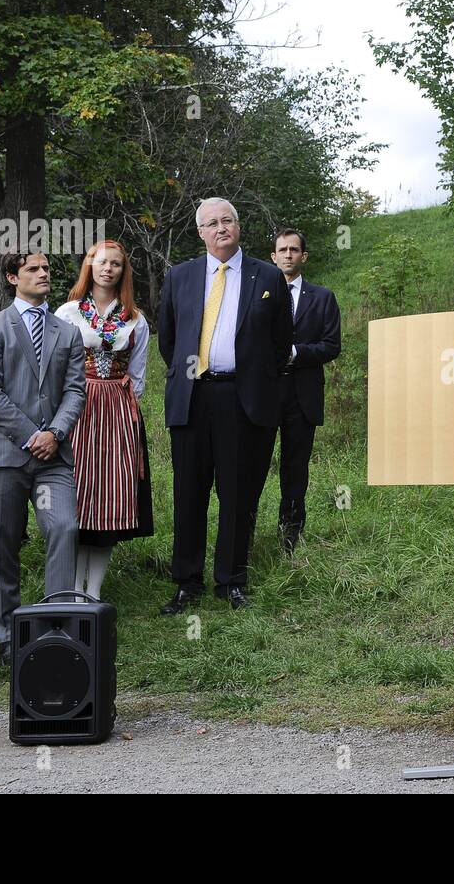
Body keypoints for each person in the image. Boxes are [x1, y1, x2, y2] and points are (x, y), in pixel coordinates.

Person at [158, 198, 292, 613]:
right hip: (194, 397)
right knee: (189, 492)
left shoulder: (267, 275)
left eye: (227, 220)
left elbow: (279, 340)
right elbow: (169, 339)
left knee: (237, 493)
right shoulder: (179, 276)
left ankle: (231, 581)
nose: (220, 228)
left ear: (238, 226)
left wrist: (251, 377)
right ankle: (186, 582)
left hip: (242, 398)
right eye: (211, 223)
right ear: (200, 232)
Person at [0, 252, 85, 665]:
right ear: (11, 276)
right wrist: (30, 435)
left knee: (64, 528)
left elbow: (75, 391)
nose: (43, 274)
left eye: (47, 269)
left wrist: (54, 434)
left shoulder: (66, 332)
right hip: (5, 456)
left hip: (53, 458)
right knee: (3, 547)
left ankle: (58, 627)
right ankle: (6, 637)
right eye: (33, 269)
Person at [54, 240, 153, 600]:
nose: (107, 268)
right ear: (89, 266)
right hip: (78, 407)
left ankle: (93, 591)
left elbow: (138, 374)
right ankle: (72, 588)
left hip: (117, 410)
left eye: (115, 263)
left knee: (110, 495)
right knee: (78, 495)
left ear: (123, 271)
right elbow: (55, 366)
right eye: (100, 262)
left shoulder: (134, 318)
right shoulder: (67, 313)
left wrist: (126, 409)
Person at [270, 228, 341, 553]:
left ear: (303, 256)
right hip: (264, 393)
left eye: (294, 249)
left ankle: (291, 537)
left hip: (303, 395)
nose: (288, 254)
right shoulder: (258, 295)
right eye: (282, 250)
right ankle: (245, 530)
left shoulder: (323, 297)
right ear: (273, 256)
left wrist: (296, 353)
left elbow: (331, 345)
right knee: (252, 465)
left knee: (295, 467)